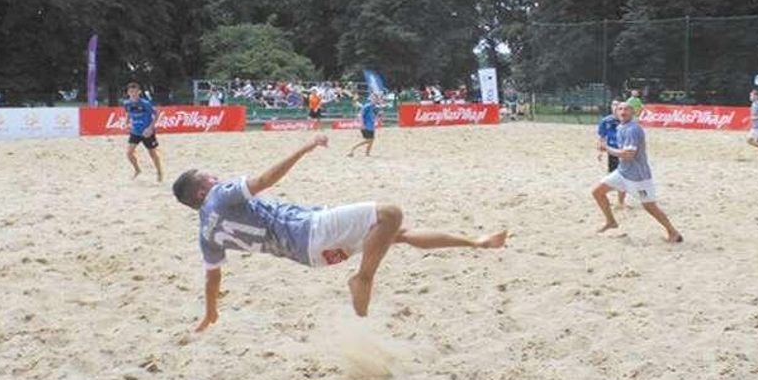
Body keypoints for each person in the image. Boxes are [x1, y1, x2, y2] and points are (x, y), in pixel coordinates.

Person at [171, 135, 508, 329]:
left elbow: (212, 278)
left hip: (310, 257)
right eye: (209, 177)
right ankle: (363, 278)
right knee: (389, 212)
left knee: (395, 232)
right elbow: (264, 181)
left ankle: (476, 242)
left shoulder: (206, 233)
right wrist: (305, 147)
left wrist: (211, 311)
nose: (216, 178)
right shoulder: (219, 195)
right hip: (311, 230)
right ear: (201, 192)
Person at [592, 102, 682, 242]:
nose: (623, 111)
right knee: (597, 192)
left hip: (638, 177)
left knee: (650, 207)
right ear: (615, 112)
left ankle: (673, 232)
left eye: (627, 109)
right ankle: (611, 222)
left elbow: (629, 155)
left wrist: (607, 149)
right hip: (622, 173)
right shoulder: (621, 126)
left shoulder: (633, 129)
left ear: (633, 112)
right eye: (620, 109)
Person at [124, 81, 164, 182]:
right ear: (128, 92)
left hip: (147, 132)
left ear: (139, 92)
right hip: (135, 131)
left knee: (152, 153)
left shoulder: (145, 103)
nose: (133, 94)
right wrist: (126, 122)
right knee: (129, 153)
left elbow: (157, 114)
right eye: (131, 92)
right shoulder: (127, 103)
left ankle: (159, 172)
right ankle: (137, 170)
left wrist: (150, 128)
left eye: (135, 92)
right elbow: (128, 113)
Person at [596, 100, 627, 209]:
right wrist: (600, 151)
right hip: (612, 152)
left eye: (617, 106)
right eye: (613, 105)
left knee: (623, 176)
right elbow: (602, 137)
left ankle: (621, 202)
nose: (615, 107)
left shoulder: (627, 121)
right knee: (613, 176)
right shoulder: (606, 121)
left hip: (624, 152)